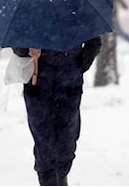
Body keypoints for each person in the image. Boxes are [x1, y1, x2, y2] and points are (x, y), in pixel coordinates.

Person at [12, 36, 102, 186]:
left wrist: (81, 62)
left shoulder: (78, 13)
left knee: (67, 145)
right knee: (44, 144)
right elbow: (17, 43)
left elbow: (94, 42)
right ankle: (50, 181)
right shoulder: (30, 15)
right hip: (37, 88)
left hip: (69, 87)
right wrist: (27, 50)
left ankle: (60, 177)